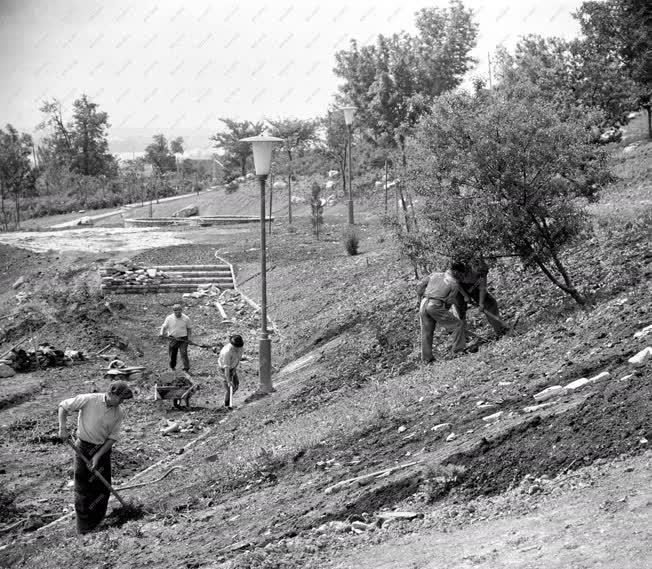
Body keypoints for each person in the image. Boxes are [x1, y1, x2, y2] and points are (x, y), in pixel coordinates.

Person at [57, 380, 134, 534]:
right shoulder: (89, 399)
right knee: (83, 488)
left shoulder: (118, 412)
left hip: (102, 450)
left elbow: (112, 437)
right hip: (83, 447)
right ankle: (84, 528)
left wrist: (98, 456)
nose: (121, 402)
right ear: (111, 393)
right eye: (120, 398)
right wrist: (62, 428)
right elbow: (63, 406)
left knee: (102, 489)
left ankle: (98, 522)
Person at [416, 261, 469, 363]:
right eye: (461, 274)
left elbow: (420, 287)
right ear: (456, 272)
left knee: (426, 332)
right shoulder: (454, 283)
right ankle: (458, 351)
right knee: (458, 324)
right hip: (435, 305)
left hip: (424, 303)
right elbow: (449, 301)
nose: (462, 277)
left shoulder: (434, 275)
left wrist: (419, 299)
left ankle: (427, 360)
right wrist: (445, 316)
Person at [454, 258, 508, 337]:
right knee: (461, 311)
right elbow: (455, 283)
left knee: (489, 304)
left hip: (473, 286)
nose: (480, 276)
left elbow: (482, 288)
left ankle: (499, 329)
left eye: (482, 274)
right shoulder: (459, 270)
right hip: (457, 290)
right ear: (470, 269)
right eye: (477, 274)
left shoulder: (482, 272)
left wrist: (481, 303)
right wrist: (465, 295)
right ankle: (462, 336)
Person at [160, 303, 192, 373]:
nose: (177, 313)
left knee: (183, 353)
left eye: (179, 311)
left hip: (183, 339)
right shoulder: (169, 318)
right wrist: (161, 333)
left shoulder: (186, 318)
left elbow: (189, 329)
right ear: (173, 311)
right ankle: (172, 367)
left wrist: (189, 338)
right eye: (175, 311)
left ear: (181, 310)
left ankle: (186, 368)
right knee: (172, 354)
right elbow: (164, 326)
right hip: (173, 338)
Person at [217, 334, 244, 409]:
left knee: (236, 386)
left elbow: (238, 358)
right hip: (224, 370)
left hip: (232, 368)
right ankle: (226, 405)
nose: (238, 349)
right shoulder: (227, 352)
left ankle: (228, 401)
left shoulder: (240, 347)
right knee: (229, 388)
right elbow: (226, 369)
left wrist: (234, 368)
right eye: (236, 347)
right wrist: (229, 381)